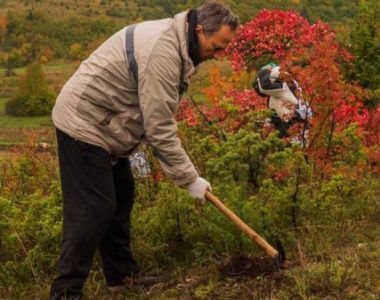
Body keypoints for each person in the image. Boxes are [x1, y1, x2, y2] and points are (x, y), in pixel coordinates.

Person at [50, 1, 239, 299]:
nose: (219, 55)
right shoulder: (163, 53)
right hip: (84, 122)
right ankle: (66, 290)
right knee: (94, 208)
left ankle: (122, 278)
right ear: (200, 29)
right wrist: (189, 178)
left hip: (108, 125)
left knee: (121, 198)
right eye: (217, 47)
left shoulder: (180, 43)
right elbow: (159, 127)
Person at [253, 63, 312, 146]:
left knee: (293, 154)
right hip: (297, 126)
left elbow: (264, 87)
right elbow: (277, 112)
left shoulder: (284, 83)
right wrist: (267, 122)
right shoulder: (286, 85)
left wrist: (264, 71)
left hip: (294, 127)